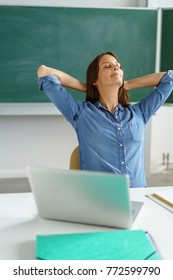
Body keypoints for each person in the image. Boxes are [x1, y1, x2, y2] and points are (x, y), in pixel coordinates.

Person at [37, 51, 173, 188]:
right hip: (100, 199)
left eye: (118, 66)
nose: (116, 68)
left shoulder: (139, 113)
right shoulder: (81, 113)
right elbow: (44, 72)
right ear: (95, 79)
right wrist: (85, 86)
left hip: (138, 195)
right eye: (107, 66)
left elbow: (170, 78)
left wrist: (128, 84)